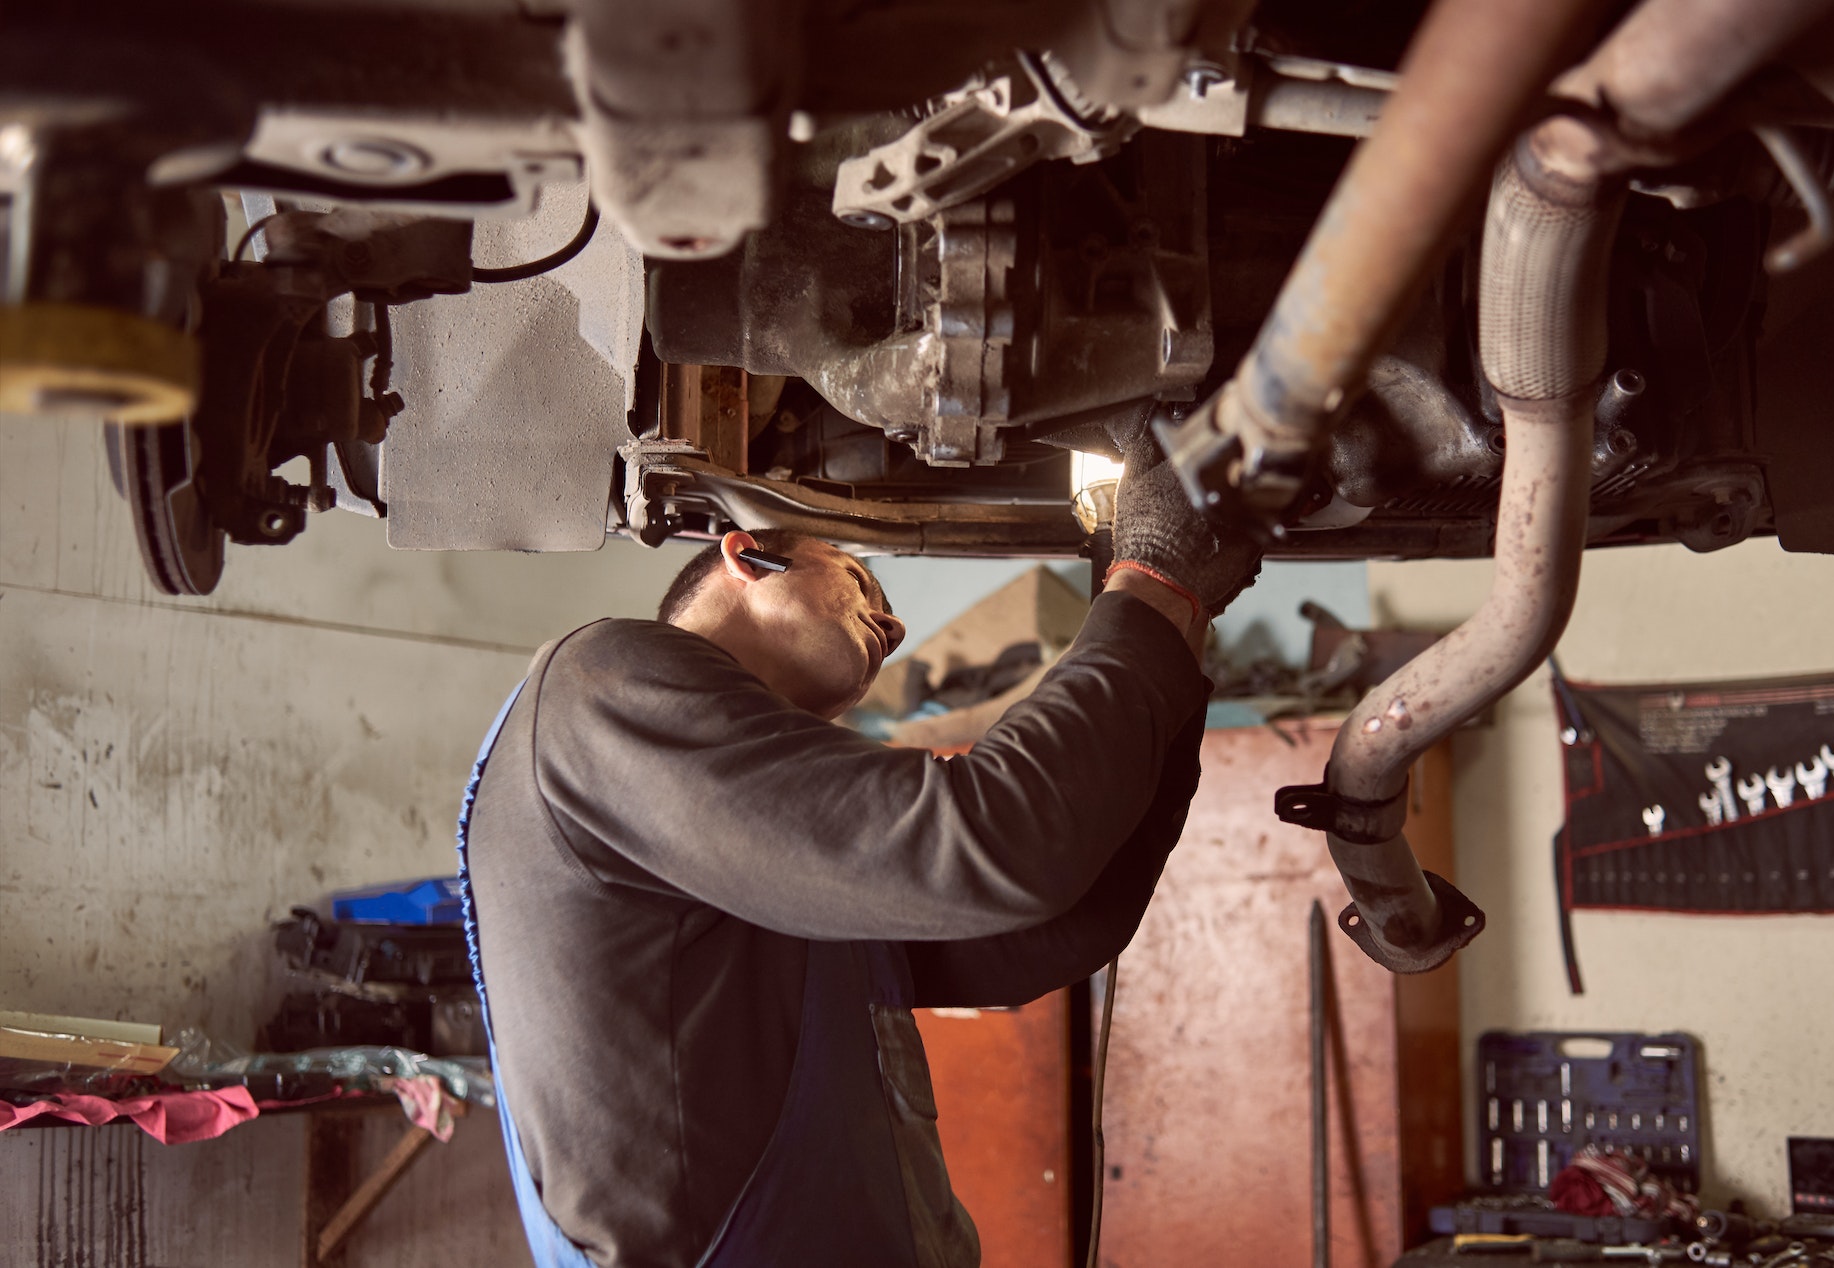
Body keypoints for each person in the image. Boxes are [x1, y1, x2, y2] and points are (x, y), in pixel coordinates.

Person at [457, 436, 1260, 1268]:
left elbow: (1051, 925)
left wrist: (1172, 634)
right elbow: (996, 844)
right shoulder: (605, 682)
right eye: (858, 578)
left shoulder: (753, 841)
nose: (899, 624)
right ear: (746, 553)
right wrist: (1152, 584)